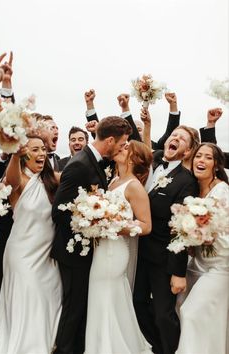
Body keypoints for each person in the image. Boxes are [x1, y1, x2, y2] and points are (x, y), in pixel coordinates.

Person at [51, 116, 132, 354]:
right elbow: (59, 212)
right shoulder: (79, 165)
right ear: (109, 140)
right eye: (121, 143)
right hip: (73, 250)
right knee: (73, 308)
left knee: (82, 307)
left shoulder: (98, 161)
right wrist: (93, 223)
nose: (122, 147)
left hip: (89, 249)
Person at [0, 136, 62, 353]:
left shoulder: (53, 180)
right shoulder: (18, 181)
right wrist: (15, 152)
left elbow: (81, 175)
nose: (41, 153)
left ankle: (45, 343)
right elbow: (11, 179)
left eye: (43, 149)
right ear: (25, 154)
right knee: (28, 296)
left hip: (47, 255)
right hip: (22, 254)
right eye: (35, 150)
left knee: (48, 295)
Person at [133, 125, 199, 354]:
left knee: (164, 316)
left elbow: (182, 230)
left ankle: (171, 349)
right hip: (138, 255)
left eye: (182, 139)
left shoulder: (186, 182)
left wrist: (178, 273)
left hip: (163, 260)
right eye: (173, 135)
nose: (175, 139)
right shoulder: (152, 165)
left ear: (188, 152)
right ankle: (158, 348)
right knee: (137, 305)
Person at [84, 140, 153, 354]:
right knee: (101, 295)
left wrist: (114, 225)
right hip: (103, 248)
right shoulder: (113, 180)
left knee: (106, 294)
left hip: (116, 251)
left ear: (134, 159)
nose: (120, 149)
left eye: (125, 148)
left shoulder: (134, 186)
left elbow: (146, 225)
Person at [176, 143, 229, 354]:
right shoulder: (193, 189)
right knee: (185, 310)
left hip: (219, 265)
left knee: (191, 313)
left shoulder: (222, 190)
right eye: (199, 156)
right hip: (195, 264)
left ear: (216, 165)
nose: (201, 161)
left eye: (208, 157)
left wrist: (205, 236)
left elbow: (224, 229)